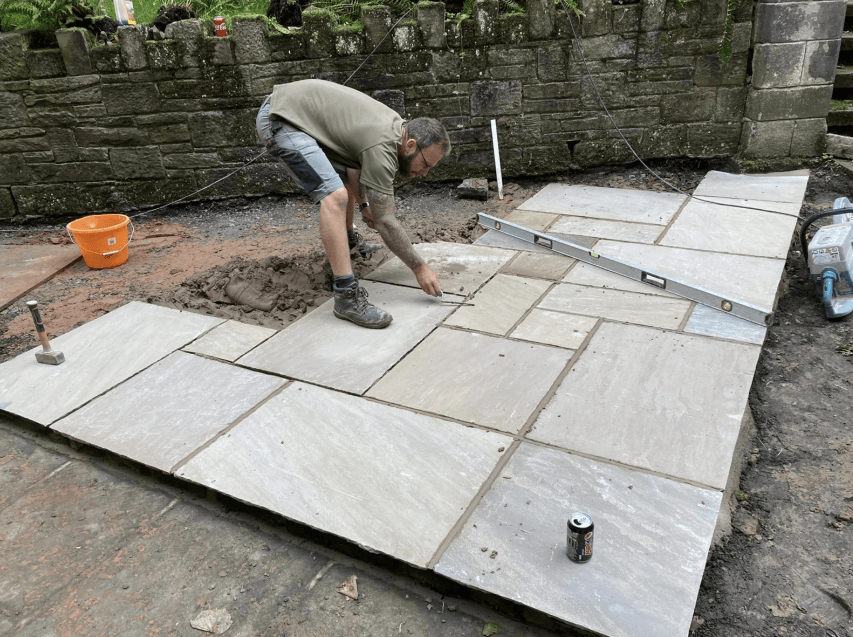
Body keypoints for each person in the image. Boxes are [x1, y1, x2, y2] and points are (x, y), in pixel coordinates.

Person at [255, 79, 452, 329]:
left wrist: (364, 205)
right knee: (335, 195)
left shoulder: (394, 128)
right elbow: (386, 221)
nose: (424, 173)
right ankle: (346, 295)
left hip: (293, 113)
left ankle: (347, 242)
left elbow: (354, 164)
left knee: (342, 182)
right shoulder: (383, 144)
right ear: (411, 144)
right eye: (426, 165)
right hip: (282, 120)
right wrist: (419, 267)